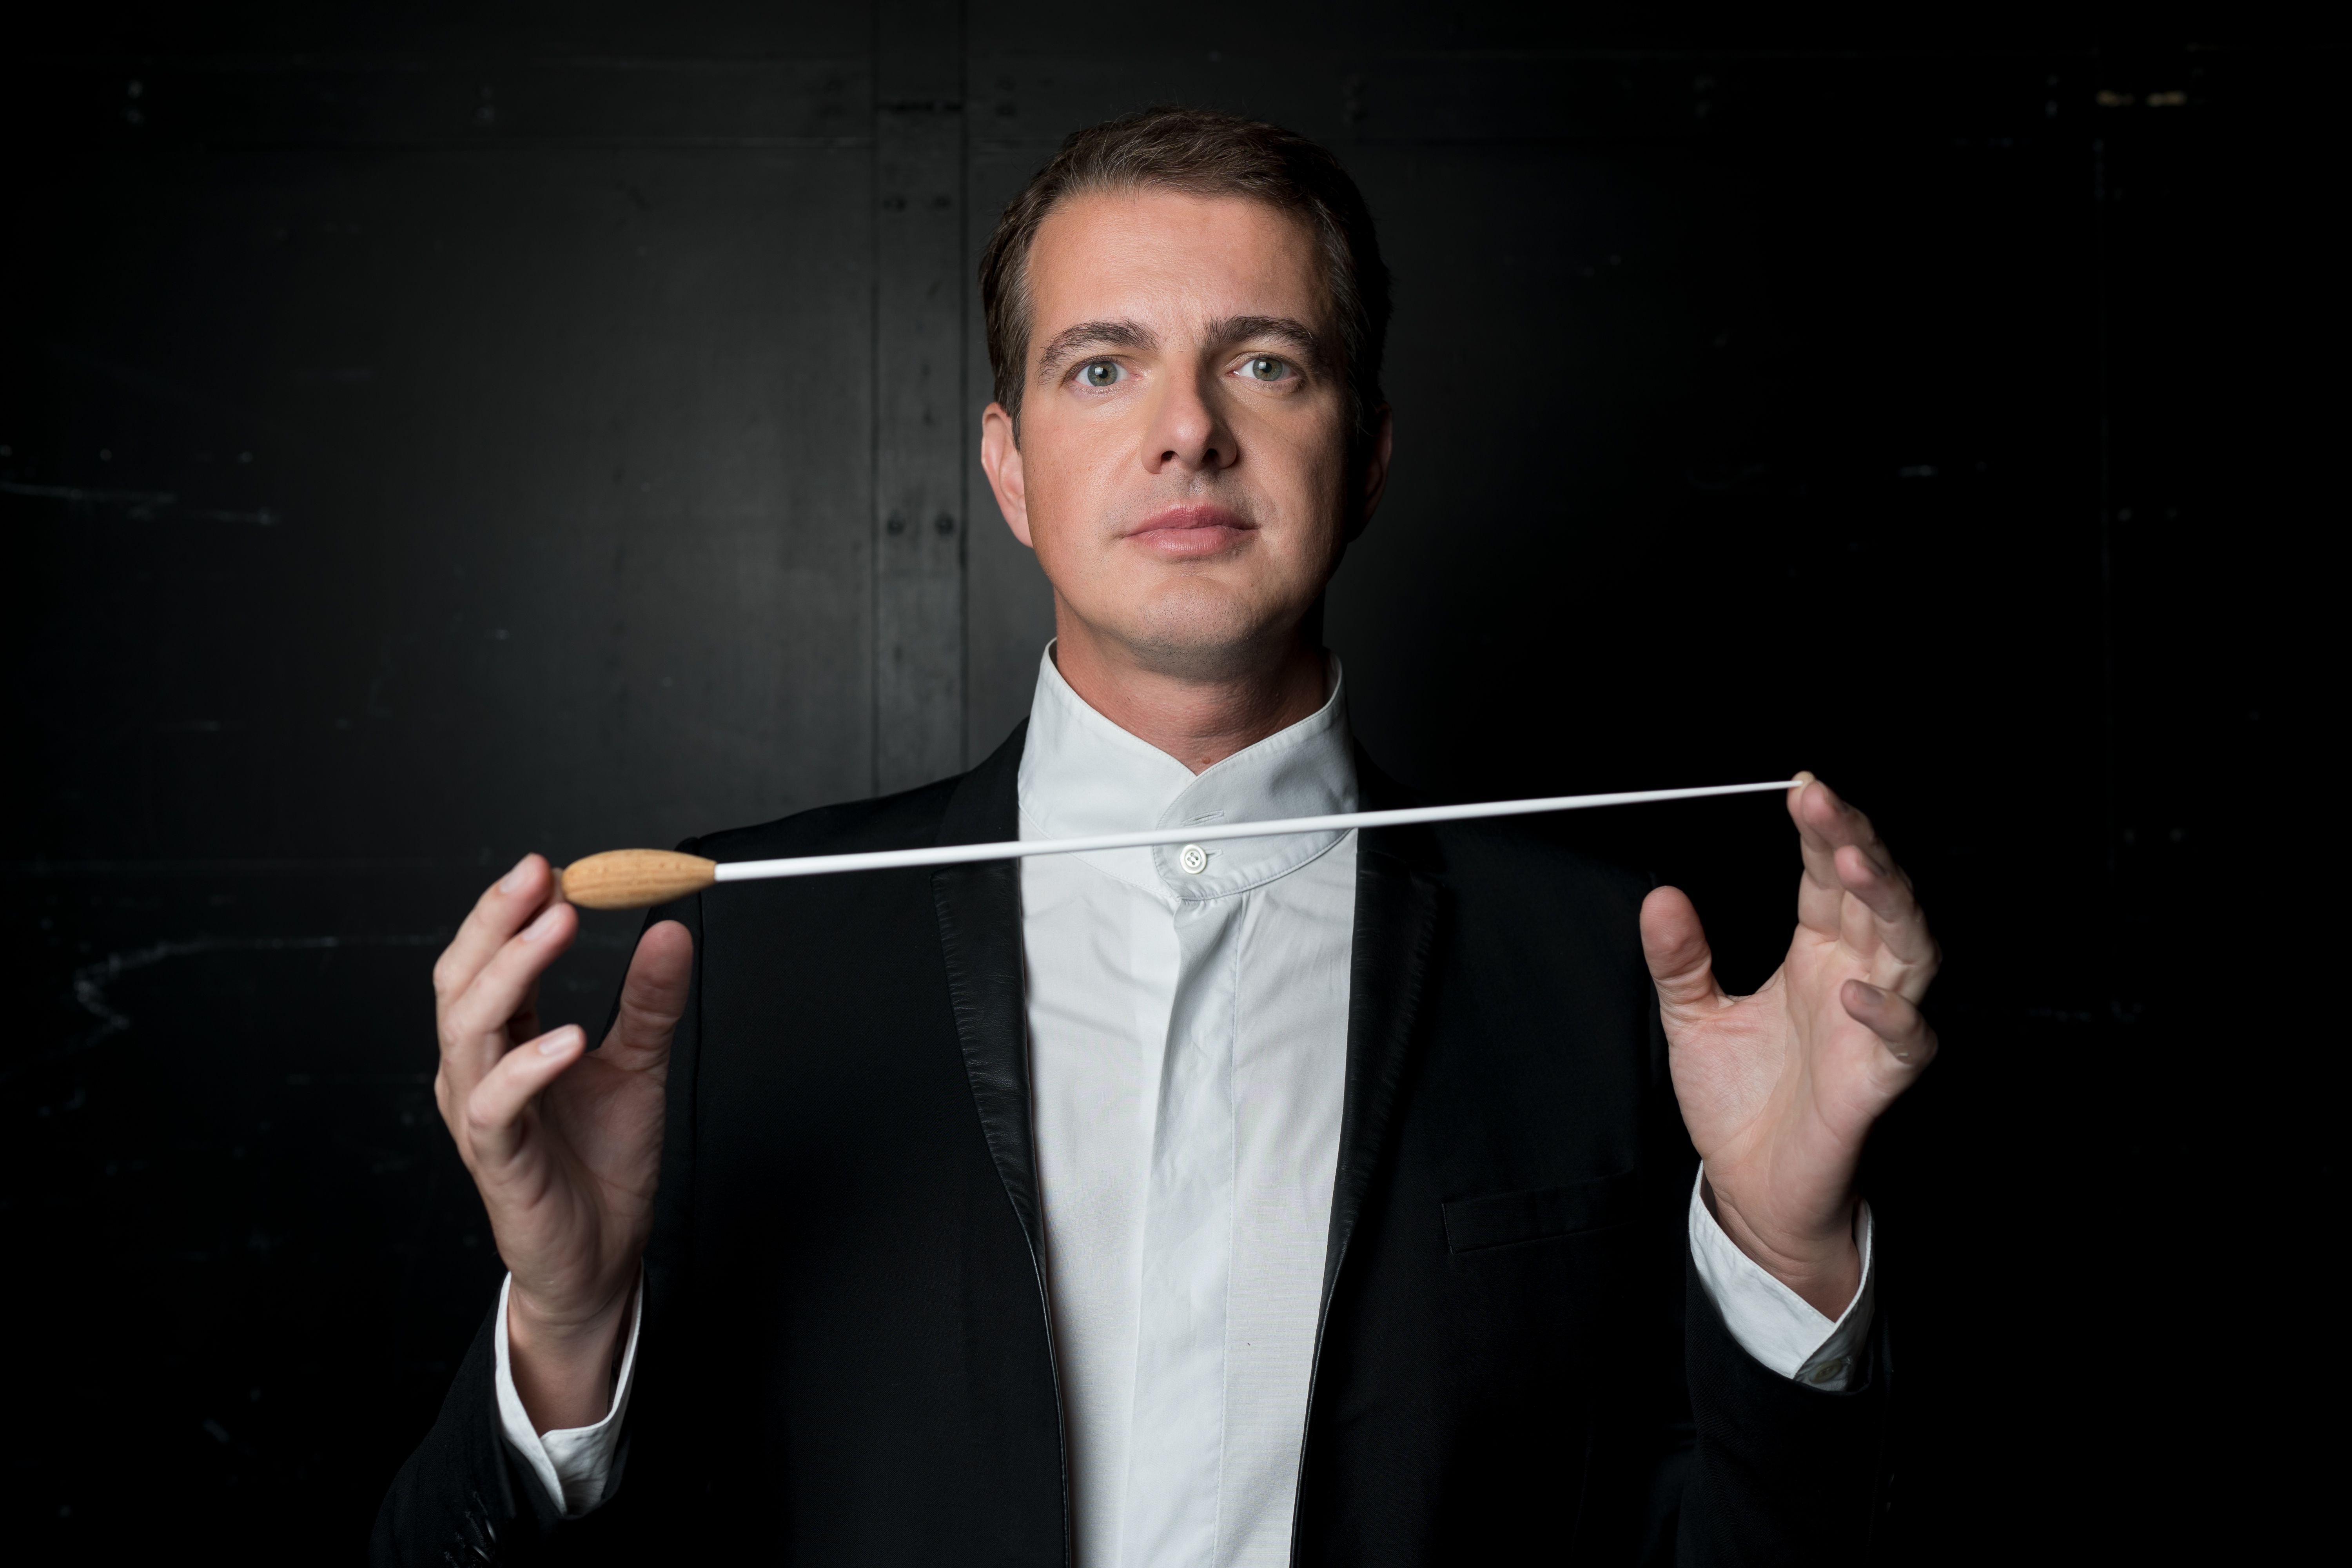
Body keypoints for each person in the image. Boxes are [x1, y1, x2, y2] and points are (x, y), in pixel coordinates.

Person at [376, 108, 1937, 1566]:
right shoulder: (730, 966)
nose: (1187, 431)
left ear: (1370, 454)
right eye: (1103, 368)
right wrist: (566, 1333)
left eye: (1264, 363)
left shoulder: (1628, 975)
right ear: (1010, 469)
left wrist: (1786, 1259)